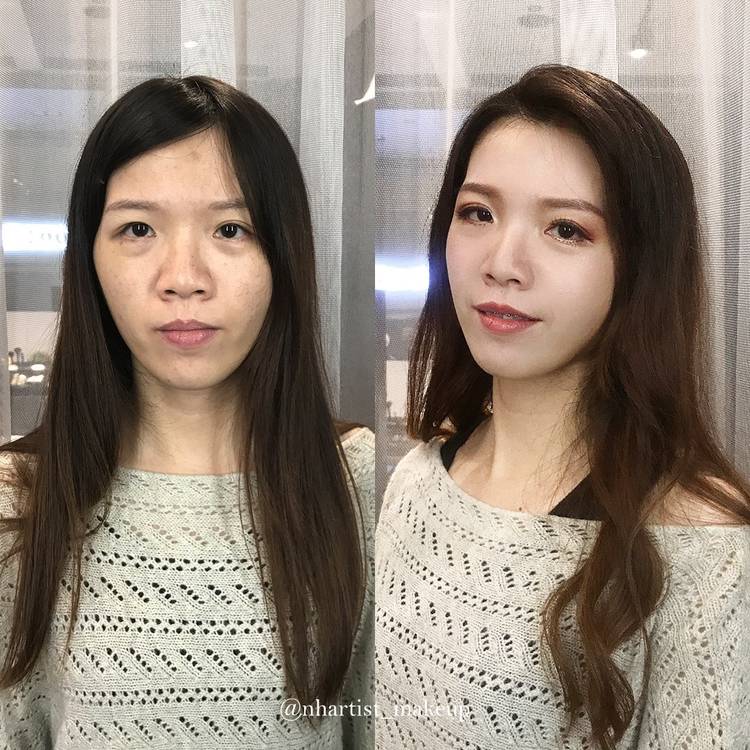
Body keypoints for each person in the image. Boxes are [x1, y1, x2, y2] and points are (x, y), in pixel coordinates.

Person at [374, 64, 750, 749]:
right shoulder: (416, 480)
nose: (503, 263)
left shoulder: (699, 541)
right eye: (478, 213)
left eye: (567, 230)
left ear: (639, 267)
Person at [0, 75, 374, 749]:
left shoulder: (356, 481)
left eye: (230, 229)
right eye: (138, 229)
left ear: (283, 256)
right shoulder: (19, 498)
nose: (183, 278)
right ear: (88, 258)